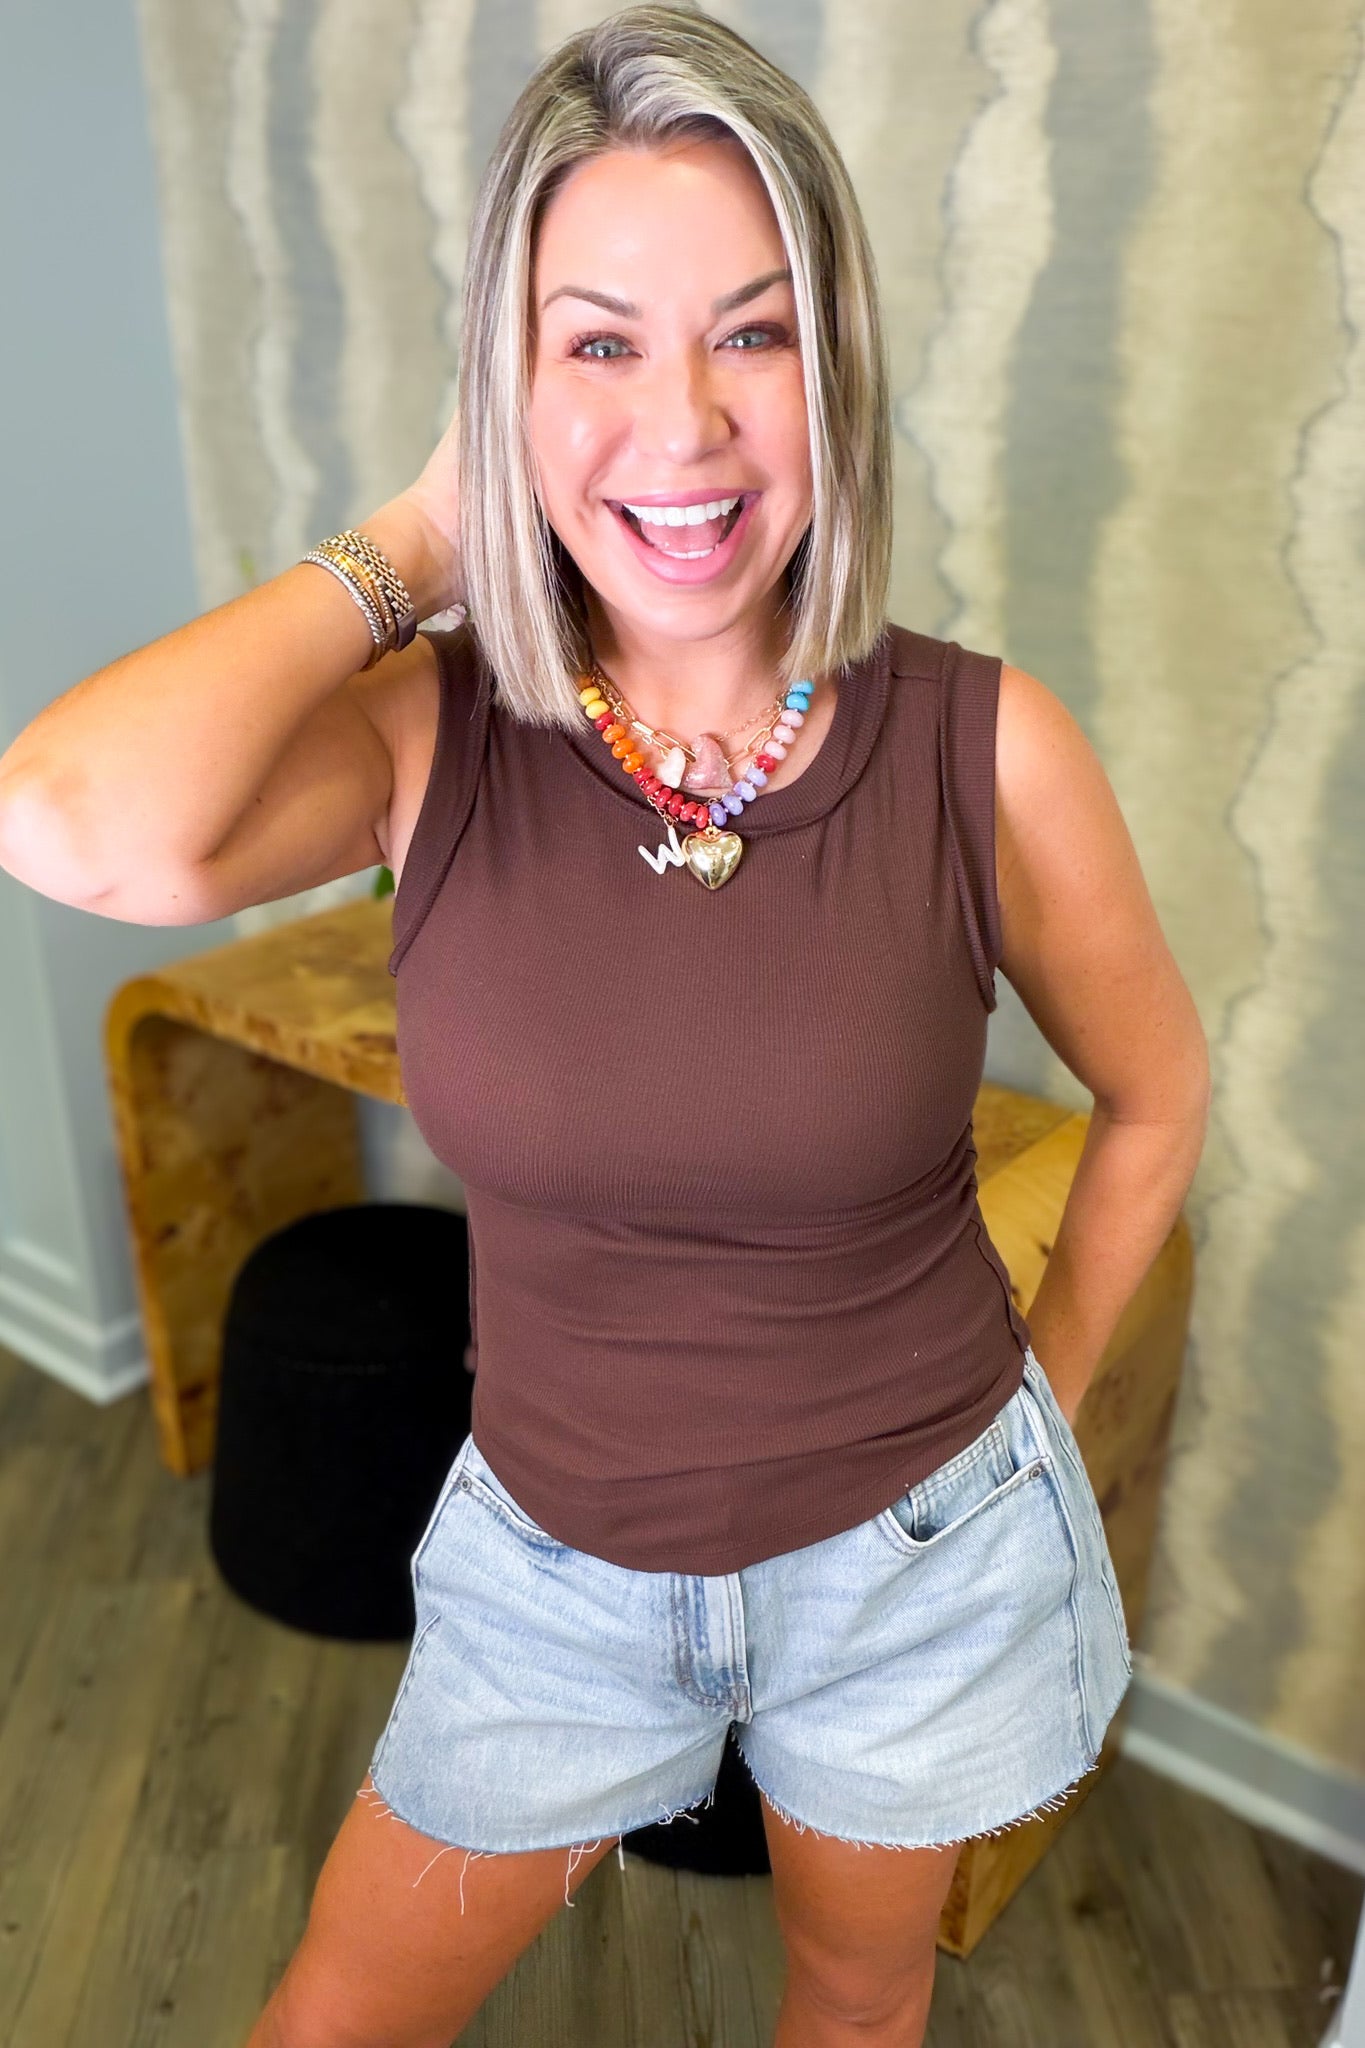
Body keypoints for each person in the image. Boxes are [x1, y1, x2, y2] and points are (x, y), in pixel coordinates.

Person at [0, 7, 1210, 2045]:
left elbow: (1155, 1094)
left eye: (752, 334)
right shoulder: (428, 734)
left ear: (834, 366)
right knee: (336, 2019)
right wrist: (419, 540)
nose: (685, 426)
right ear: (505, 383)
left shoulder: (987, 746)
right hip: (552, 1567)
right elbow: (64, 816)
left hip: (917, 1552)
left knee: (854, 2005)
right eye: (596, 344)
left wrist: (1034, 1415)